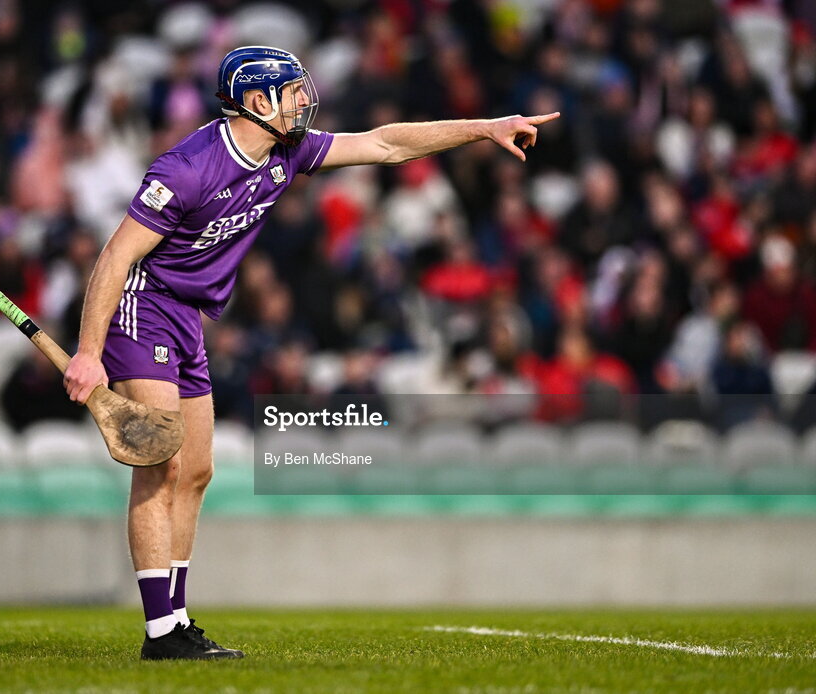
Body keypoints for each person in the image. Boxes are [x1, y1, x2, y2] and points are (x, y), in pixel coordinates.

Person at [62, 45, 559, 661]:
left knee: (195, 471)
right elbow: (115, 257)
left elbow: (386, 144)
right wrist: (89, 352)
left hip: (188, 319)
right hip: (144, 309)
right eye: (292, 91)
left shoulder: (286, 151)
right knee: (160, 465)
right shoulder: (186, 168)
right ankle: (161, 633)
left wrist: (483, 128)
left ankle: (179, 619)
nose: (304, 100)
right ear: (255, 101)